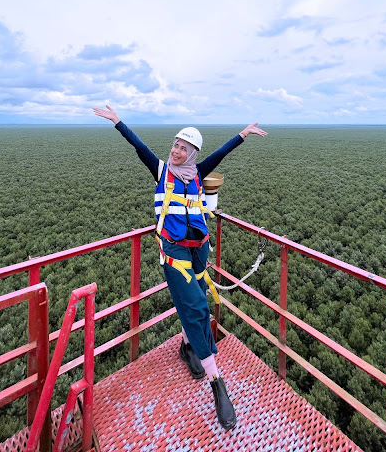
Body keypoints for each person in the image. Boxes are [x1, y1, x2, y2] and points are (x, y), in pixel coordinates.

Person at [93, 104, 267, 430]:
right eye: (175, 145)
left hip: (199, 249)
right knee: (198, 308)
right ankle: (218, 386)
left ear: (192, 153)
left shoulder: (198, 173)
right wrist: (118, 121)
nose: (176, 151)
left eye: (183, 148)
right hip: (174, 252)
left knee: (194, 301)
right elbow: (139, 147)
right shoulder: (161, 171)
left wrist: (242, 134)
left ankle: (187, 346)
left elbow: (221, 154)